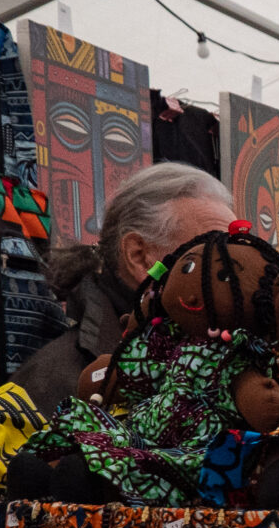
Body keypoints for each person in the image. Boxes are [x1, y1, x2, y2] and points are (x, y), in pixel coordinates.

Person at [17, 163, 235, 416]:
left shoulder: (242, 358)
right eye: (215, 254)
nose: (233, 274)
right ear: (140, 255)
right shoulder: (57, 382)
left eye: (238, 255)